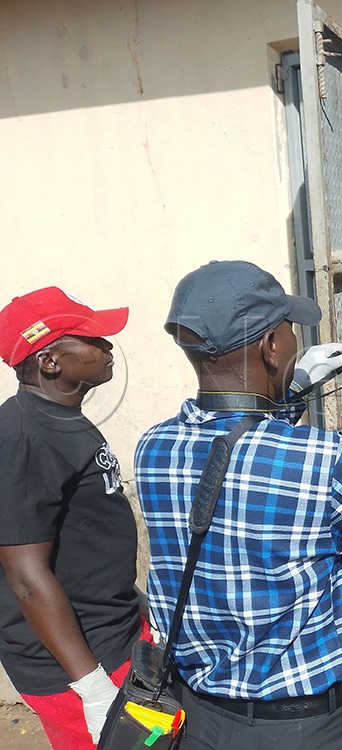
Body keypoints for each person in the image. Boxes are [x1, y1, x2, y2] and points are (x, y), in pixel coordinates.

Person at [134, 260, 342, 750]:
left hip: (202, 720)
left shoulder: (154, 450)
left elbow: (236, 457)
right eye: (288, 331)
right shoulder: (325, 459)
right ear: (272, 347)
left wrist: (293, 390)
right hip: (313, 729)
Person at [0, 287, 148, 750]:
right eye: (93, 339)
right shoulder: (24, 439)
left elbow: (83, 538)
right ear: (50, 362)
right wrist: (92, 686)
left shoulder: (60, 419)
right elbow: (26, 577)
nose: (107, 348)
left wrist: (135, 602)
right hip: (77, 666)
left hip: (112, 635)